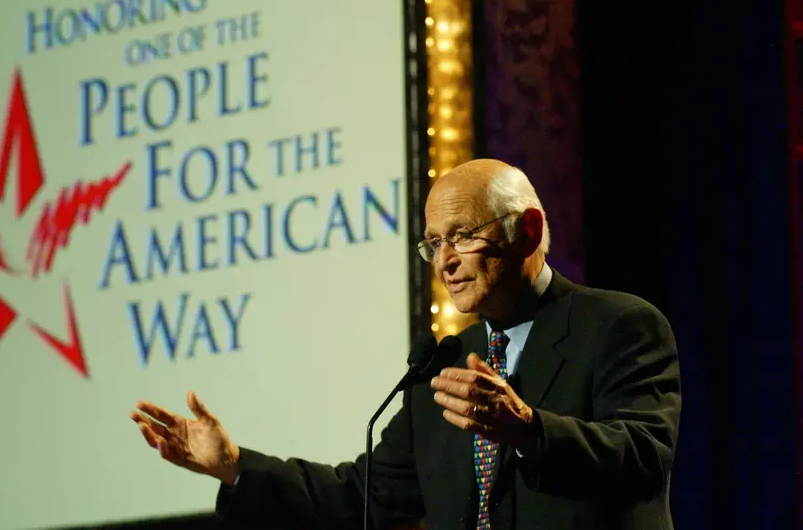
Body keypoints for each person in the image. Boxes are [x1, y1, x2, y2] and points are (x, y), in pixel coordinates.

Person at [130, 159, 682, 529]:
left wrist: (529, 428)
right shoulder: (442, 370)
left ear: (529, 231)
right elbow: (357, 497)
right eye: (434, 243)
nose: (444, 261)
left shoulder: (618, 325)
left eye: (463, 235)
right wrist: (233, 465)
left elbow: (642, 457)